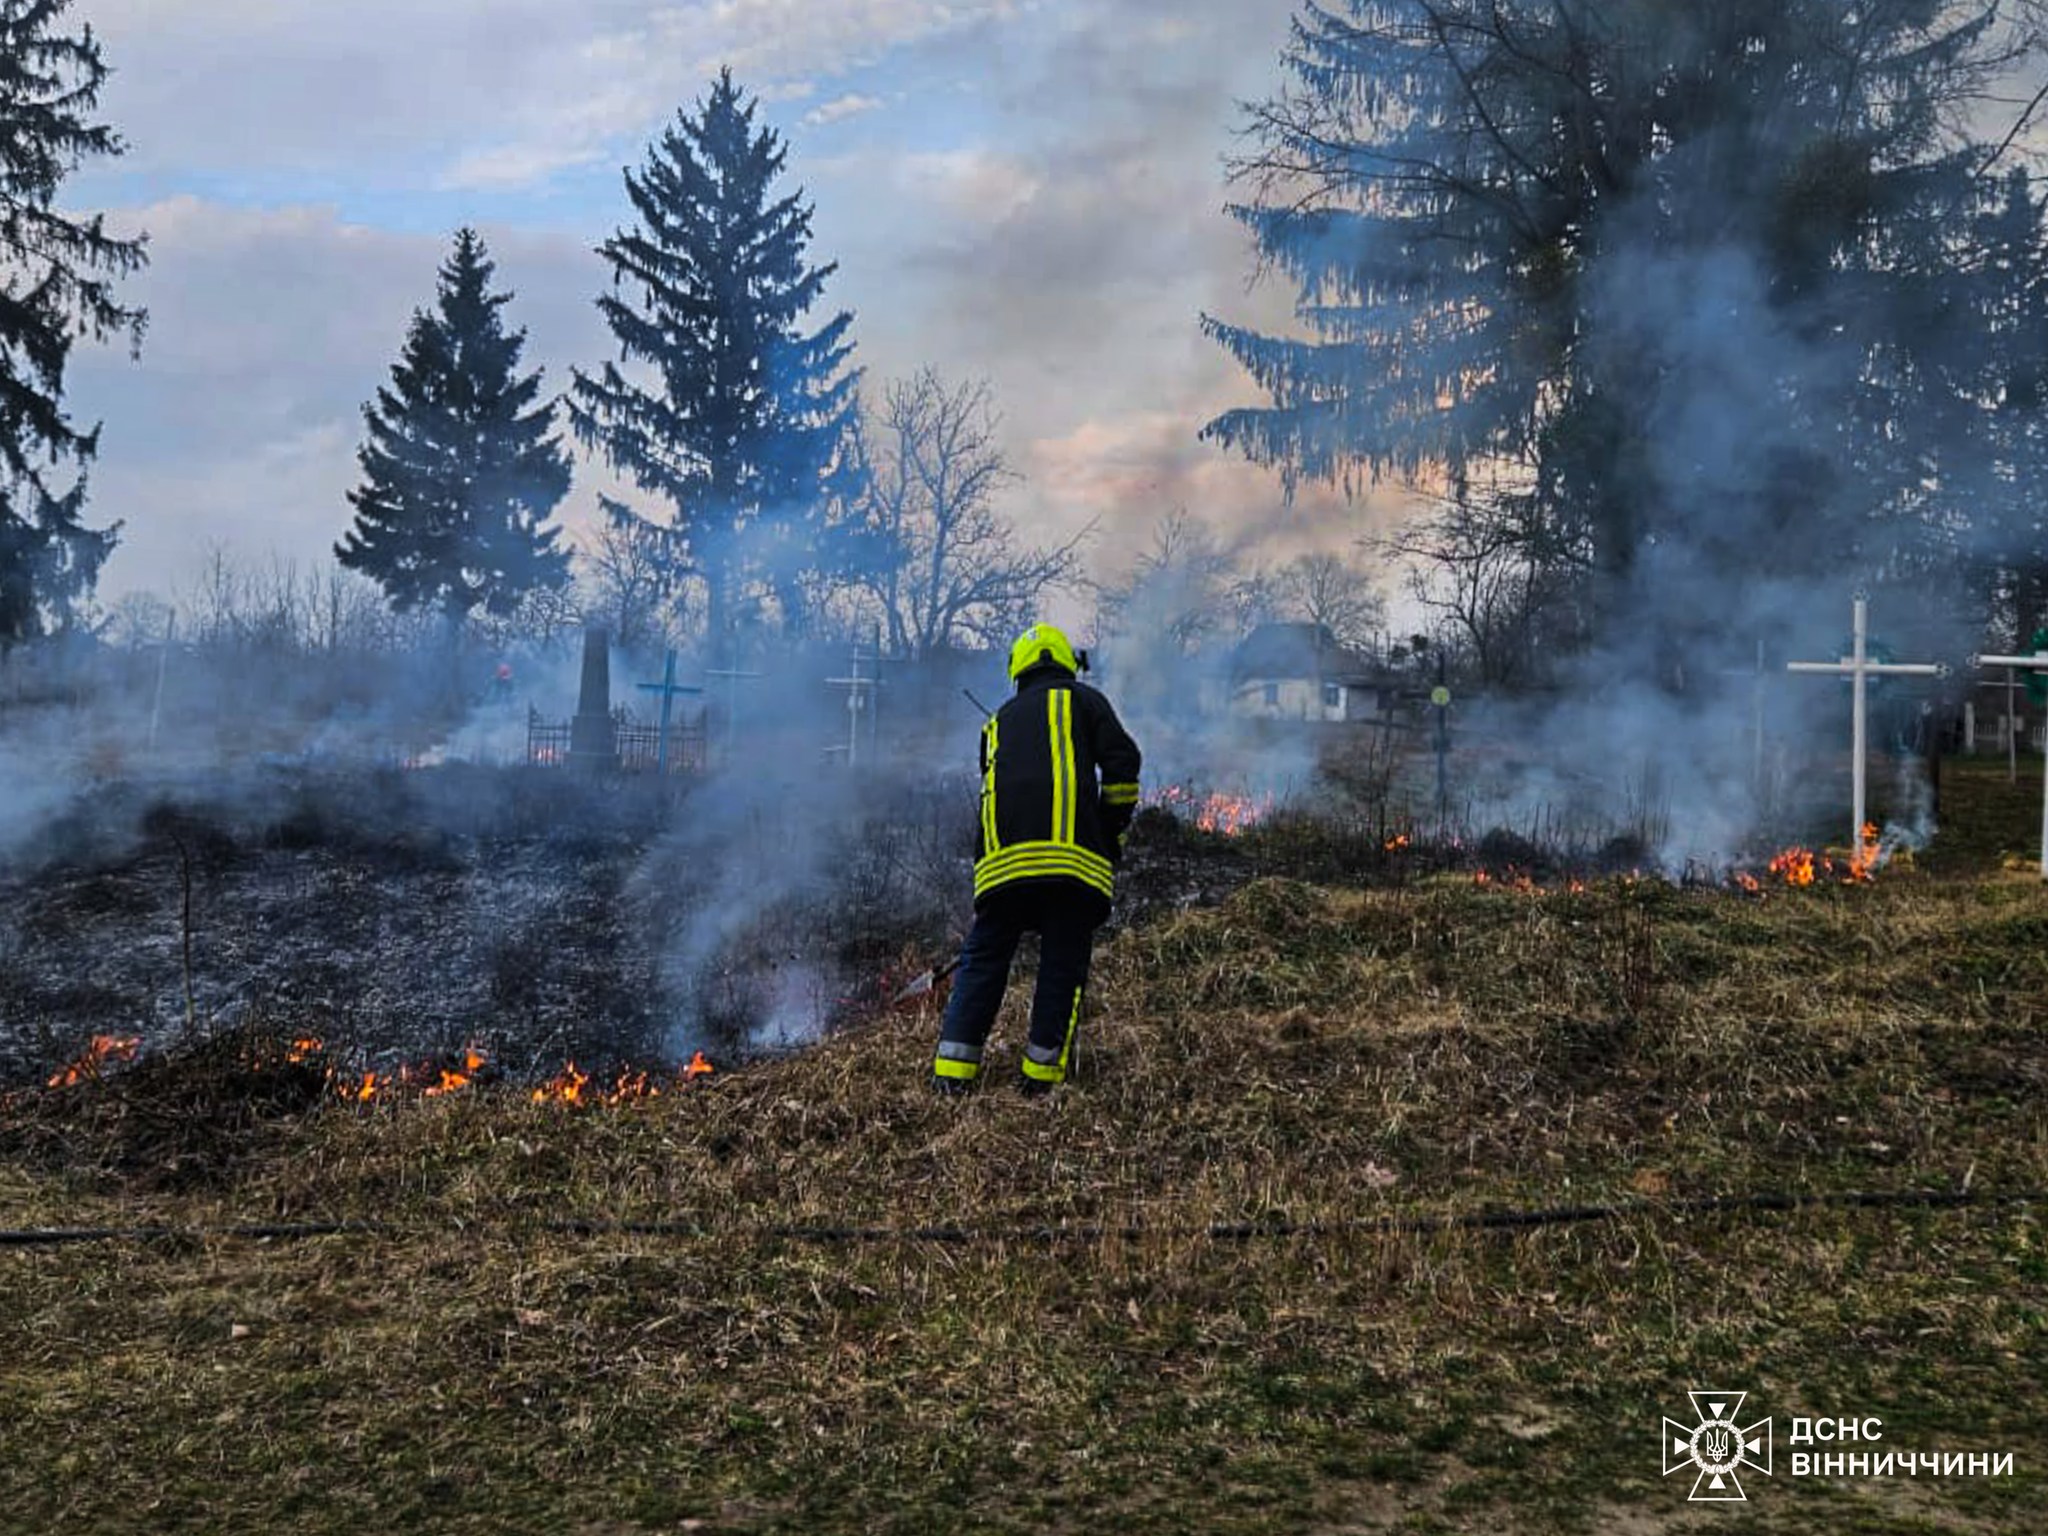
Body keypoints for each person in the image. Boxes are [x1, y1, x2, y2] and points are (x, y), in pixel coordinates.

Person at [931, 622, 1142, 1096]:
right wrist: (1110, 830)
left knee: (983, 961)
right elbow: (1124, 768)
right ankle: (1039, 1081)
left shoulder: (996, 723)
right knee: (1061, 963)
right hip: (1071, 866)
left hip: (1000, 870)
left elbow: (993, 795)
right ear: (1067, 664)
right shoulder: (1086, 701)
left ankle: (952, 1075)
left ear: (1018, 672)